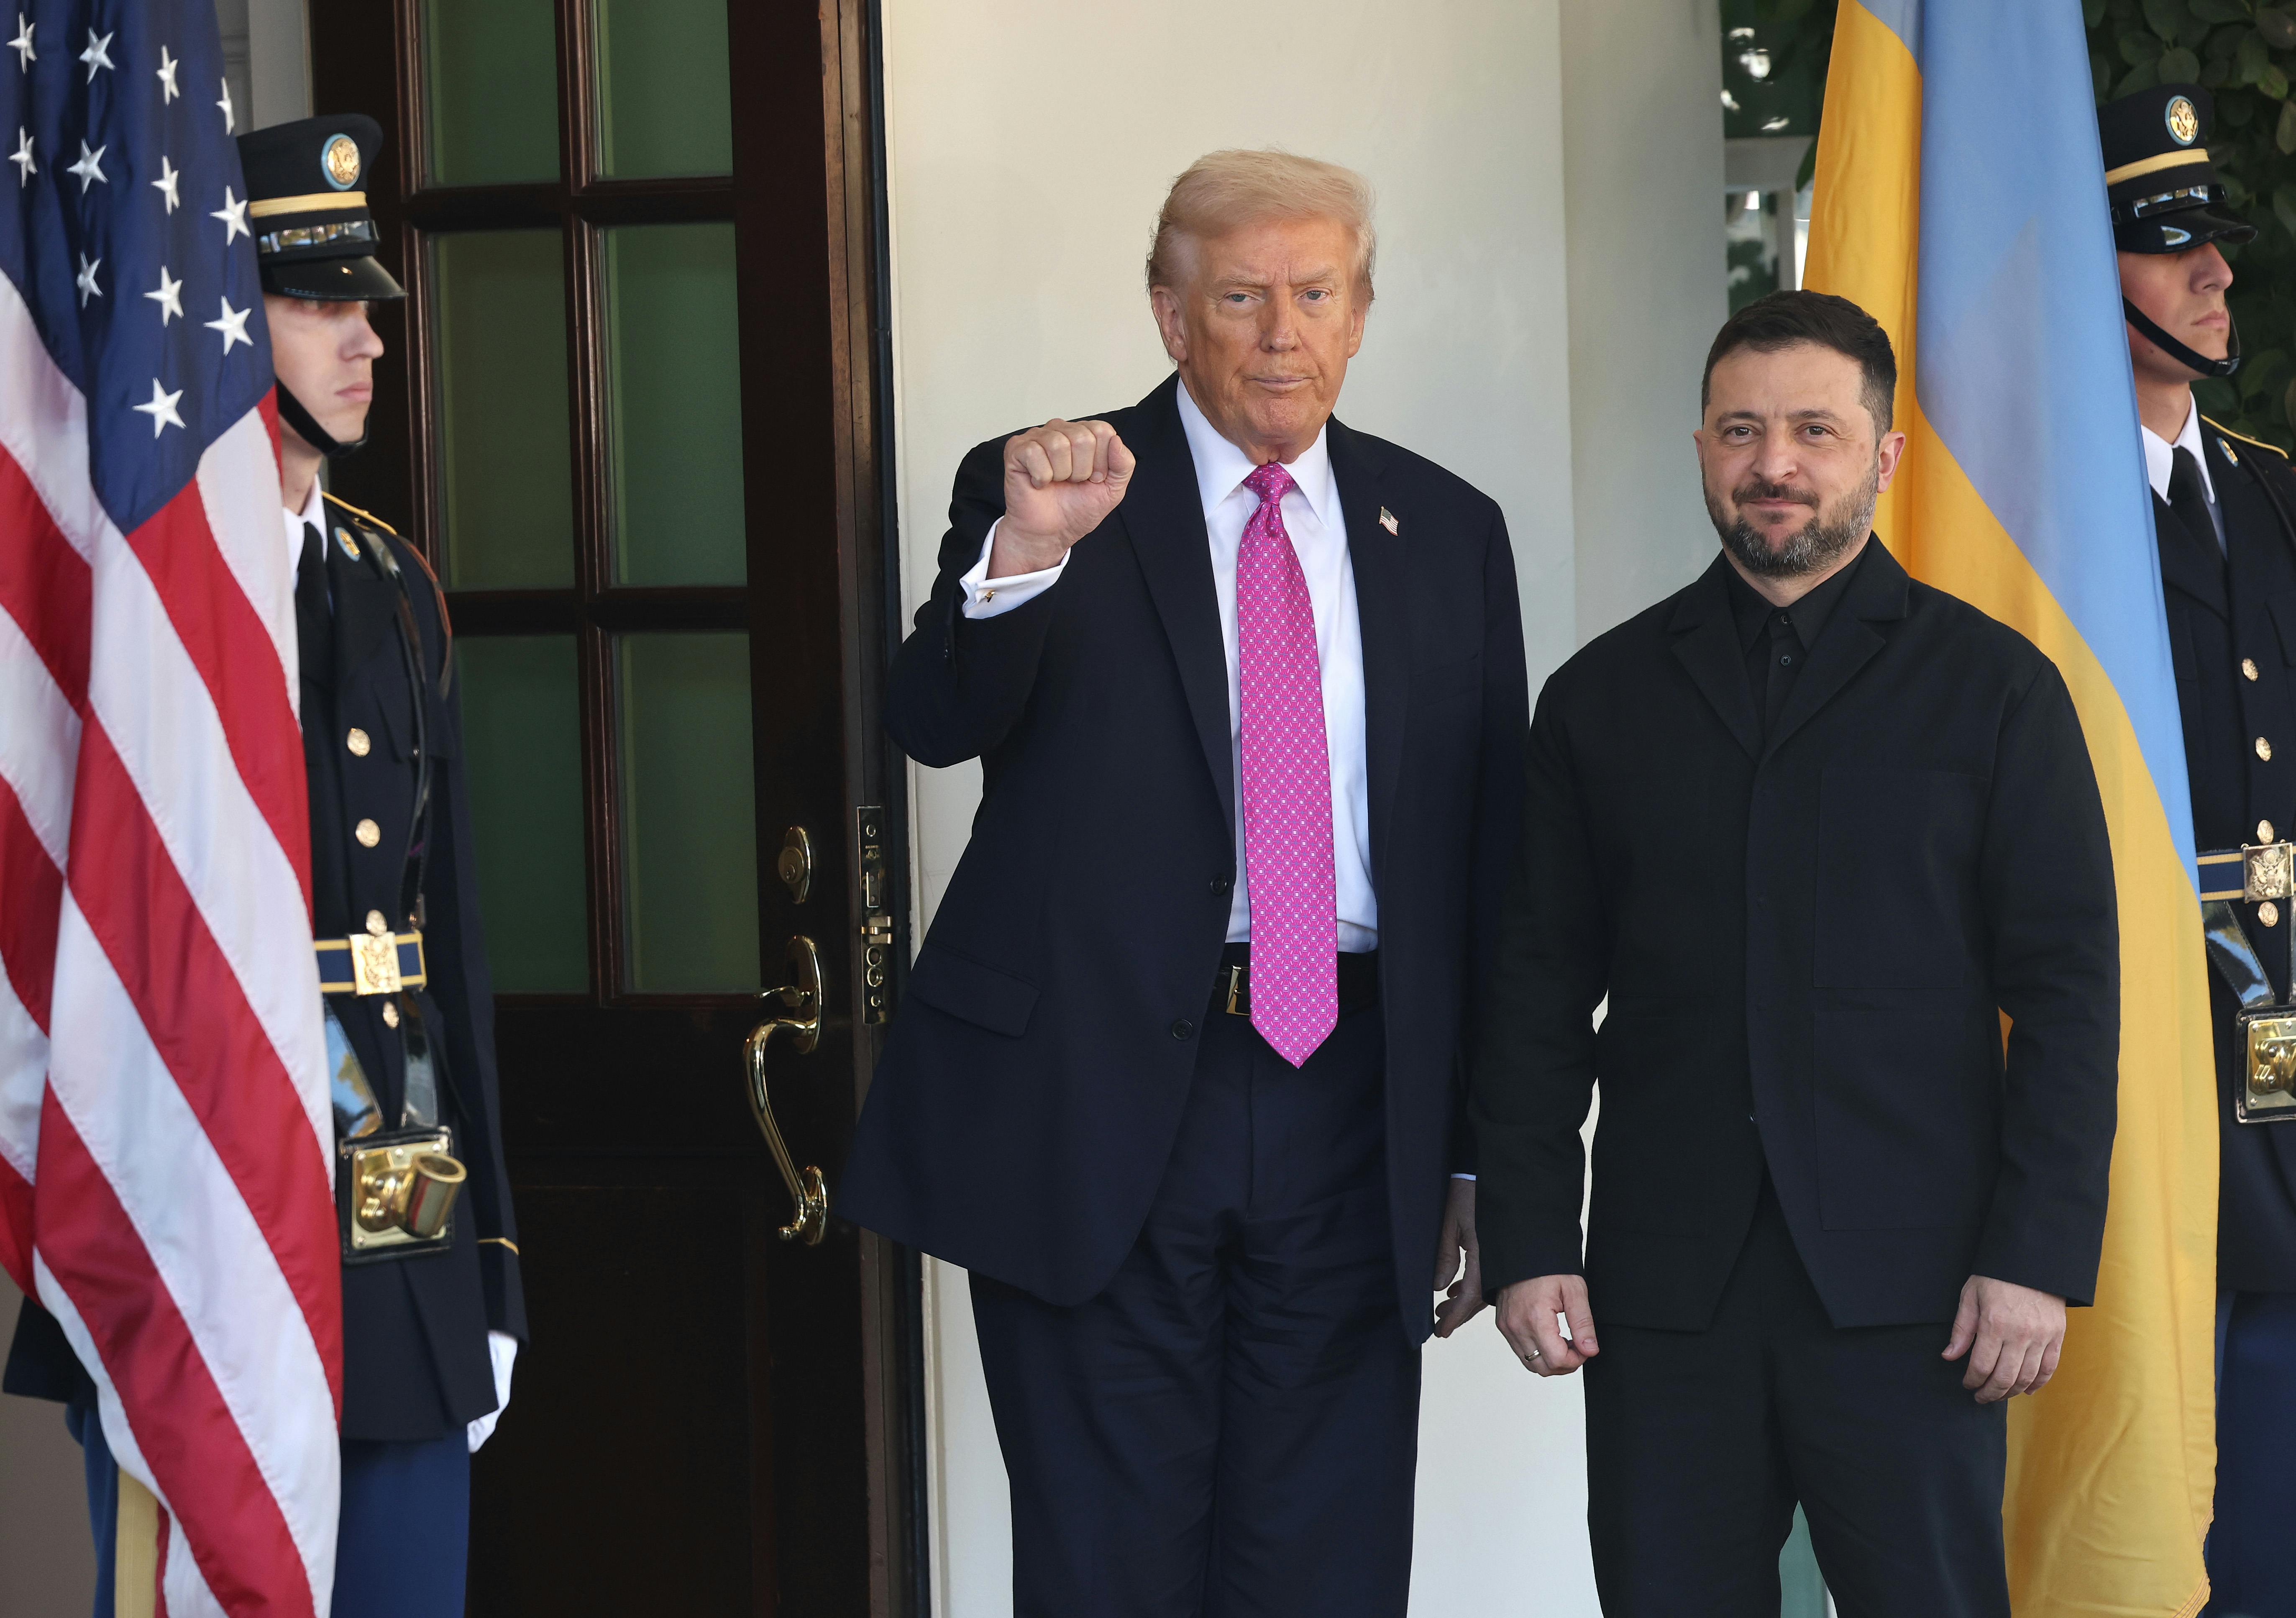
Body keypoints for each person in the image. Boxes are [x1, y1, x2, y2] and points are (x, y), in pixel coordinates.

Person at [840, 149, 1528, 1614]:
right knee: (1108, 1560)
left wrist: (1474, 1149)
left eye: (1315, 293)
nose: (1281, 330)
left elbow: (1486, 860)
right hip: (1098, 1096)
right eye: (1238, 295)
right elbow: (934, 720)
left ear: (1358, 316)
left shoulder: (1447, 530)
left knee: (1323, 1561)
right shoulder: (1047, 484)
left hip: (1354, 1095)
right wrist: (1025, 553)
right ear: (1169, 316)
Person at [1469, 289, 2119, 1617]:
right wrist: (1531, 1233)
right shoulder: (1599, 697)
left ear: (1881, 456)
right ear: (1701, 446)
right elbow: (1535, 987)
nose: (1774, 463)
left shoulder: (1995, 691)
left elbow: (2067, 991)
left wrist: (2037, 1250)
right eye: (1741, 430)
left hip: (1920, 1294)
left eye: (1814, 430)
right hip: (1662, 1295)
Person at [1, 114, 526, 1618]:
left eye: (368, 308)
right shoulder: (125, 605)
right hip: (195, 1197)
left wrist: (485, 1261)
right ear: (223, 321)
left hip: (395, 1193)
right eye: (316, 305)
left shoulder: (390, 582)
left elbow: (449, 947)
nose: (367, 343)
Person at [2101, 83, 2296, 1618]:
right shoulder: (2043, 521)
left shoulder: (2271, 491)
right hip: (2144, 1005)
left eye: (2216, 245)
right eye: (2172, 247)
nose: (2214, 276)